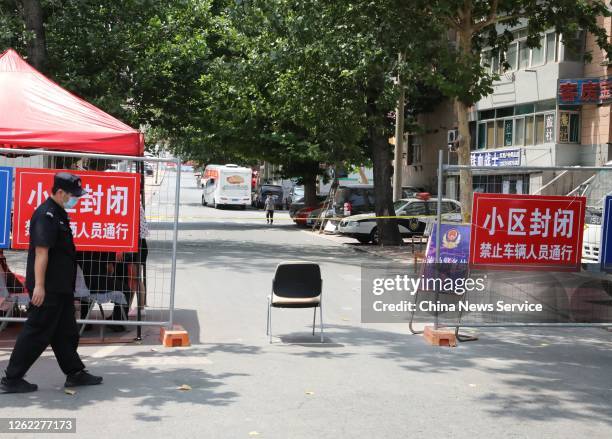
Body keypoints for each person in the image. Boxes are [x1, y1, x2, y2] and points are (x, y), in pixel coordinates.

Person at [1, 173, 103, 393]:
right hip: (48, 288)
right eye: (72, 195)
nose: (75, 199)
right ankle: (12, 378)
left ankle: (74, 373)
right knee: (36, 331)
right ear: (59, 192)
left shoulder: (59, 213)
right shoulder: (45, 215)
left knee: (66, 331)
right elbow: (41, 252)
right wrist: (38, 286)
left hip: (62, 287)